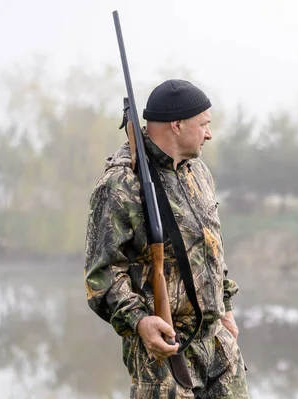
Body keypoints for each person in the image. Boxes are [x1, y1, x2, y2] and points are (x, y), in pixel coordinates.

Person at [84, 79, 249, 398]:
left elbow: (212, 248)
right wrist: (140, 321)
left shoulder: (198, 172)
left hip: (217, 345)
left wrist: (225, 307)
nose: (209, 133)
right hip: (163, 357)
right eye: (204, 124)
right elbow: (101, 277)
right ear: (177, 125)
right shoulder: (119, 186)